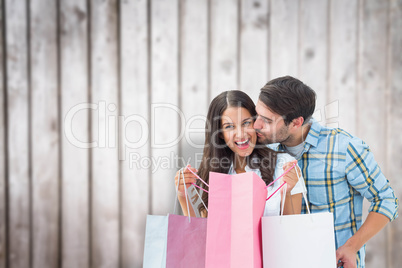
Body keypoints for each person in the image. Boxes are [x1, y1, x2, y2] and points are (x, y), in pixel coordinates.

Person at [253, 75, 399, 268]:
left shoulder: (344, 147)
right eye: (257, 115)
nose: (256, 125)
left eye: (266, 120)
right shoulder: (264, 154)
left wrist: (351, 247)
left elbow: (386, 199)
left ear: (296, 123)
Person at [175, 90, 306, 218]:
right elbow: (206, 235)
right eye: (229, 126)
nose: (241, 134)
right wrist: (182, 196)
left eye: (246, 123)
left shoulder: (284, 165)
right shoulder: (215, 173)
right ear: (220, 133)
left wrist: (287, 193)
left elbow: (291, 231)